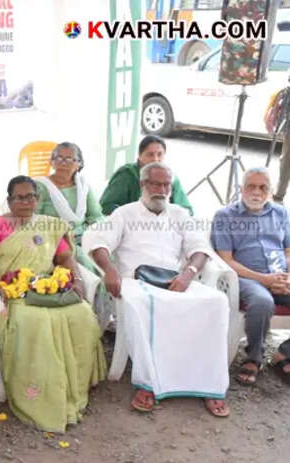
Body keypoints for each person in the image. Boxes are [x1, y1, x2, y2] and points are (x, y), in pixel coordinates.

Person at [83, 162, 230, 417]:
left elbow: (200, 248)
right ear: (143, 184)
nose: (161, 190)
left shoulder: (180, 214)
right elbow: (98, 242)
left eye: (166, 185)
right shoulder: (125, 214)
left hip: (176, 280)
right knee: (144, 304)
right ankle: (148, 384)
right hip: (135, 281)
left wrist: (188, 274)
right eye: (155, 184)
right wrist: (109, 269)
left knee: (216, 302)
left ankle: (210, 385)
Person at [0, 175, 105, 432]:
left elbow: (66, 257)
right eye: (19, 197)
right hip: (16, 292)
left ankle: (73, 385)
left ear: (38, 198)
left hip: (50, 287)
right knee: (35, 322)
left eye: (30, 196)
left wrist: (76, 279)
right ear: (9, 200)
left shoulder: (49, 224)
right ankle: (39, 393)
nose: (25, 202)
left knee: (83, 314)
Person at [211, 167, 290, 385]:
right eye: (251, 186)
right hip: (246, 277)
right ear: (241, 188)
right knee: (262, 302)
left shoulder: (281, 213)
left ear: (271, 191)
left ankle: (284, 353)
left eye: (263, 187)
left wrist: (286, 276)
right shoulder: (225, 216)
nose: (256, 192)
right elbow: (227, 260)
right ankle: (254, 358)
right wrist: (265, 280)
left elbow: (288, 251)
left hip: (279, 274)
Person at [34, 142, 102, 271]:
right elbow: (34, 221)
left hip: (85, 237)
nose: (63, 163)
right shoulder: (40, 186)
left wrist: (88, 234)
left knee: (106, 255)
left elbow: (96, 216)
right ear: (51, 162)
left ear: (79, 164)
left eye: (69, 159)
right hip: (56, 240)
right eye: (58, 158)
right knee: (84, 262)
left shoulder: (83, 186)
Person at [99, 135, 193, 215]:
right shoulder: (126, 175)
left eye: (159, 154)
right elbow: (106, 206)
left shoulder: (170, 177)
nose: (155, 159)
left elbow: (187, 210)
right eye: (150, 154)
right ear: (140, 156)